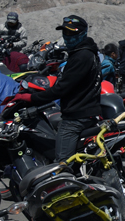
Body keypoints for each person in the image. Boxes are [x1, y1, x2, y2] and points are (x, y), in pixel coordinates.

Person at [11, 16, 101, 160]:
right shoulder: (89, 52)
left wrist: (31, 98)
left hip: (75, 117)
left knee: (62, 164)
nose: (68, 37)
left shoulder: (81, 56)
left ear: (83, 33)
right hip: (89, 111)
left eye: (72, 33)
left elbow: (61, 89)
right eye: (66, 33)